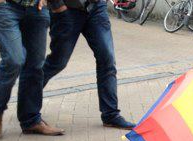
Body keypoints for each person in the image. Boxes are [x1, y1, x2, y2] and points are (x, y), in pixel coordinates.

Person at [43, 0, 134, 129]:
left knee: (107, 58)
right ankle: (28, 102)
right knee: (58, 62)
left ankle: (111, 115)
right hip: (67, 9)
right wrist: (57, 5)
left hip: (96, 8)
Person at [0, 0, 65, 138]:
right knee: (14, 59)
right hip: (2, 5)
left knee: (35, 64)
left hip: (35, 6)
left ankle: (31, 120)